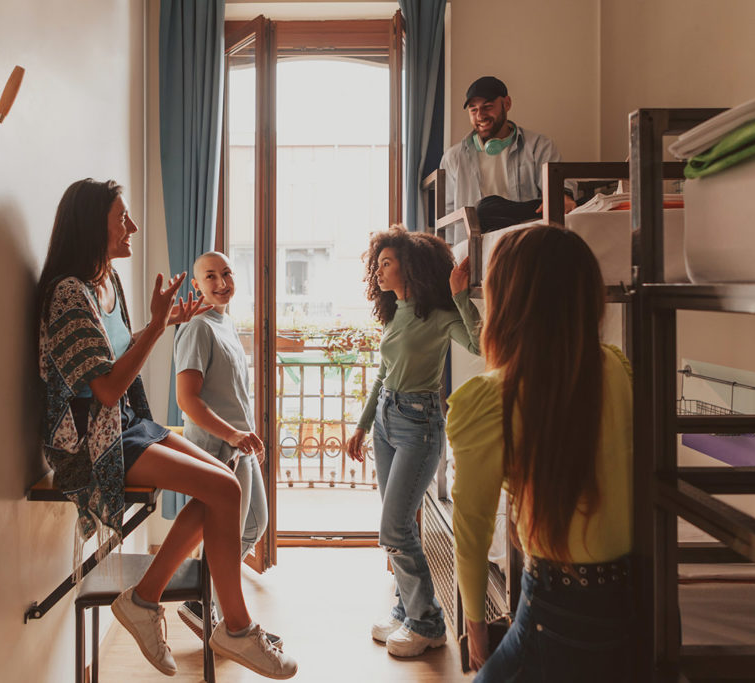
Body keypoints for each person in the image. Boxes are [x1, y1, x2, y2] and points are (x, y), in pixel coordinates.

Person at [37, 179, 297, 679]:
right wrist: (158, 327)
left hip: (126, 424)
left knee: (224, 484)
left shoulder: (105, 282)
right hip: (92, 439)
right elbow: (106, 389)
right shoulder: (68, 293)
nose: (131, 226)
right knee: (224, 486)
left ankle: (146, 599)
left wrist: (161, 322)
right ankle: (234, 628)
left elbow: (110, 360)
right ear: (95, 226)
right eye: (122, 218)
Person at [446, 224, 635, 681]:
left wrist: (474, 625)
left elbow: (471, 530)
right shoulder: (618, 368)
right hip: (634, 602)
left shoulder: (492, 398)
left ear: (507, 302)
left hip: (558, 608)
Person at [345, 225, 481, 657]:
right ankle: (406, 611)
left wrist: (461, 296)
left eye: (387, 263)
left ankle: (428, 623)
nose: (379, 271)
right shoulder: (397, 311)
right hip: (387, 419)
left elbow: (480, 344)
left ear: (410, 266)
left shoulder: (439, 316)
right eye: (378, 264)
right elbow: (384, 375)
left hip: (419, 425)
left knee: (394, 527)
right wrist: (362, 425)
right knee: (400, 524)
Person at [173, 250, 275, 646]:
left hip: (239, 446)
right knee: (231, 534)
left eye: (227, 273)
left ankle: (204, 604)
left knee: (254, 525)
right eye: (210, 277)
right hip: (217, 451)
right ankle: (222, 618)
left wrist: (246, 435)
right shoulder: (198, 328)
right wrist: (233, 436)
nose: (221, 283)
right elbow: (188, 399)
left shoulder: (225, 322)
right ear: (196, 285)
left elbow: (231, 393)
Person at [439, 76, 577, 234]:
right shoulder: (453, 157)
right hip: (476, 236)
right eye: (473, 109)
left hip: (525, 236)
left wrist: (563, 195)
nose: (480, 116)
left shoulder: (538, 146)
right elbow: (447, 214)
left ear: (507, 104)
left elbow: (560, 183)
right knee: (484, 209)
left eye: (488, 106)